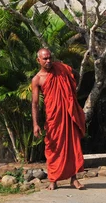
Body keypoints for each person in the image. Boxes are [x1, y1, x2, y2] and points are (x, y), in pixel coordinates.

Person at [31, 48, 86, 190]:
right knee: (53, 147)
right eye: (45, 59)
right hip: (53, 117)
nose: (48, 61)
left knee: (72, 146)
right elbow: (35, 103)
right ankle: (53, 180)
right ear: (38, 60)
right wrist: (35, 124)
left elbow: (75, 75)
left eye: (50, 58)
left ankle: (74, 179)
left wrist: (72, 94)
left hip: (68, 113)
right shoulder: (37, 79)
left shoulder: (62, 69)